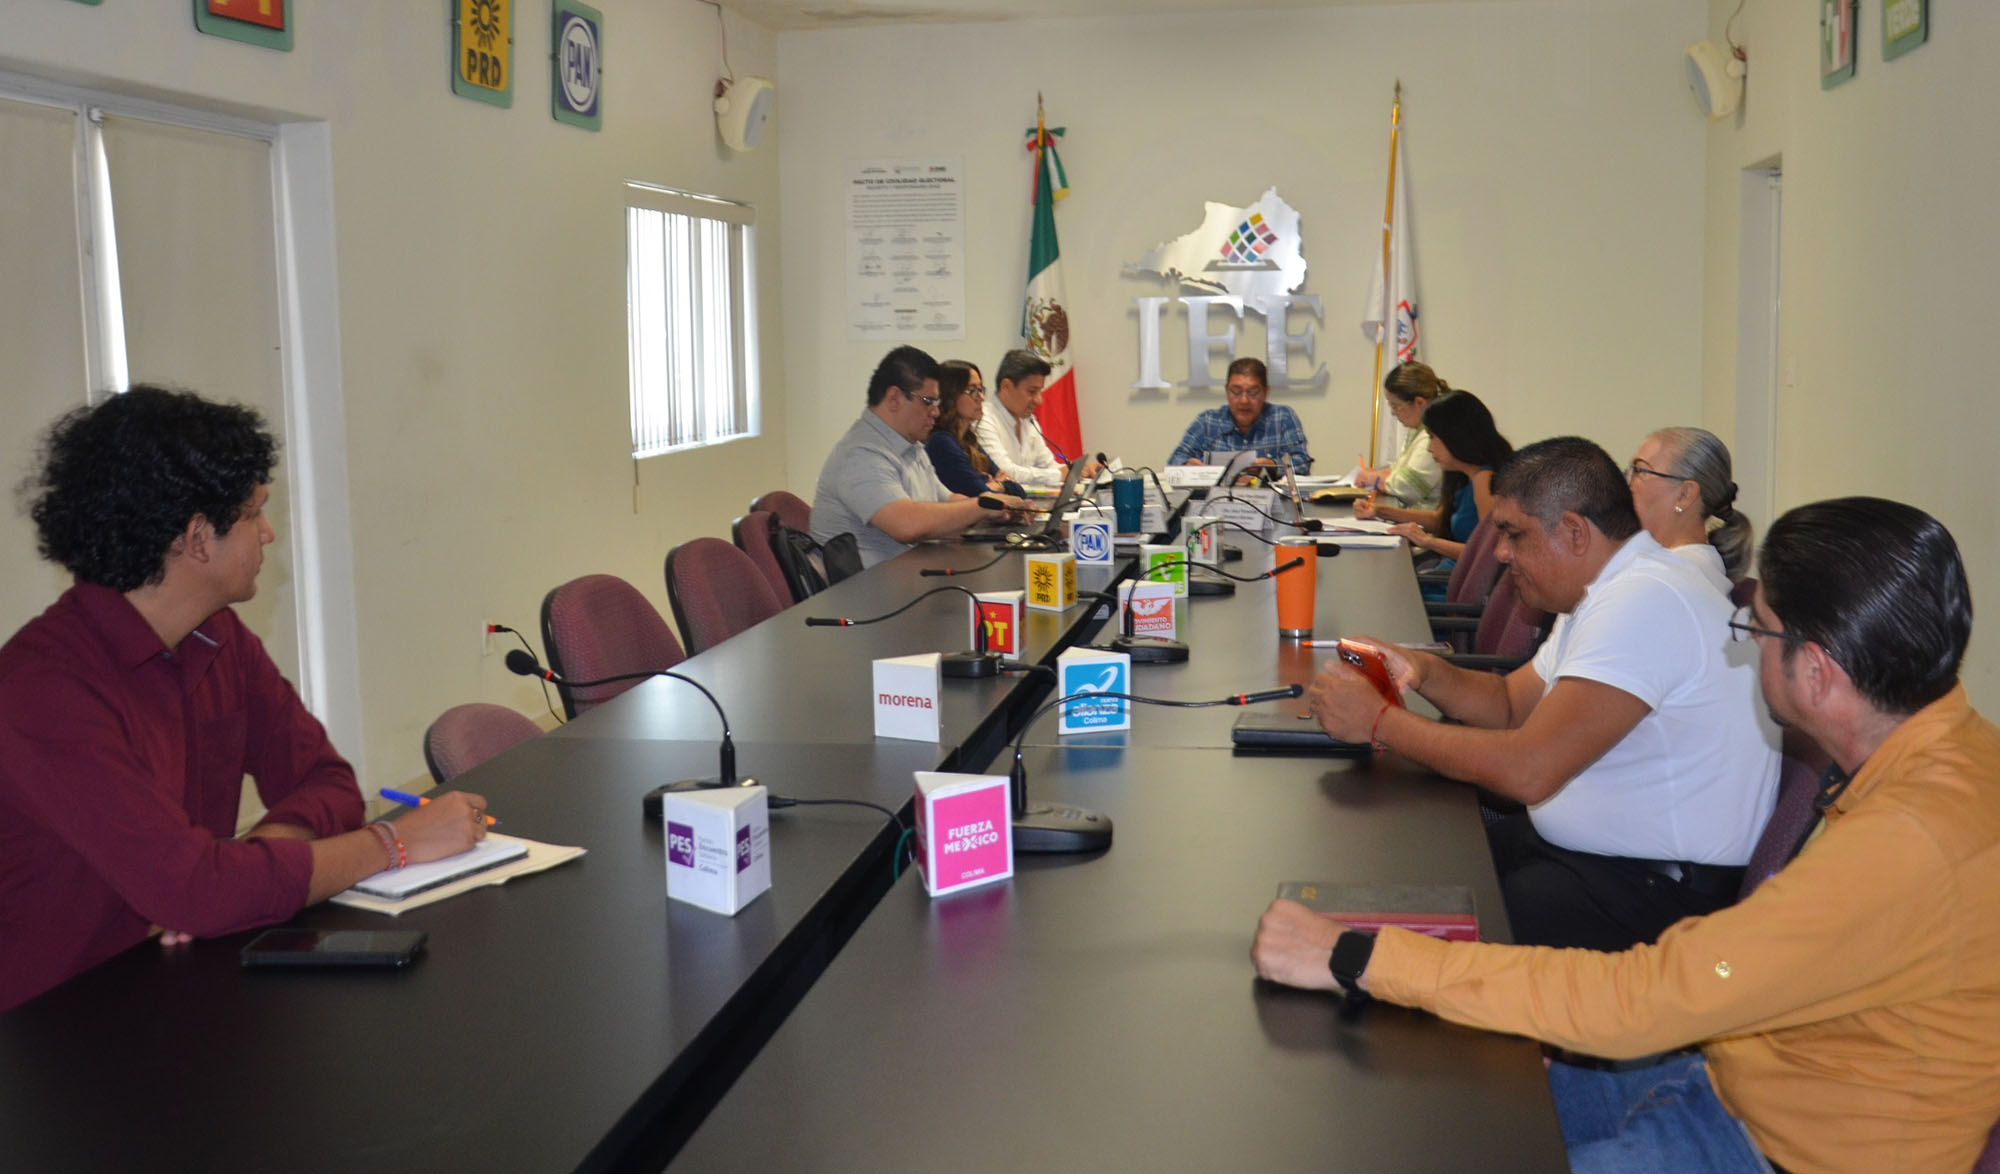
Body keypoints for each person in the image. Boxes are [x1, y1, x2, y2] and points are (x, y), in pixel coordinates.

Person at [1257, 496, 2000, 1174]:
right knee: (1421, 1107)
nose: (1748, 648)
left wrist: (1356, 955)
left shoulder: (1911, 843)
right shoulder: (1955, 757)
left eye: (1757, 630)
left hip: (1769, 1149)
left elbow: (1644, 999)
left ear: (1816, 670)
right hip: (1724, 1070)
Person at [0, 386, 487, 1013]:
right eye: (255, 513)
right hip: (54, 1029)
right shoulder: (43, 692)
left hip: (185, 984)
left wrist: (250, 861)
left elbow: (327, 781)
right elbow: (199, 893)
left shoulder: (216, 635)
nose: (268, 533)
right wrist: (393, 843)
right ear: (198, 538)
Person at [1310, 437, 1779, 950]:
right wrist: (1424, 671)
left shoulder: (1647, 599)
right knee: (1403, 864)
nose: (1500, 552)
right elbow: (1511, 705)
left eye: (1514, 534)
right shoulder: (1612, 588)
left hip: (1654, 898)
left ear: (1575, 531)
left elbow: (1529, 771)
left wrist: (1381, 723)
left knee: (1402, 940)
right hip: (1595, 863)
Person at [813, 345, 1027, 567]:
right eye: (928, 401)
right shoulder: (861, 453)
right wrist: (981, 506)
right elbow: (906, 525)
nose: (936, 411)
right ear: (894, 398)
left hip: (905, 573)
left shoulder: (911, 447)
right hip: (869, 584)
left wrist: (997, 508)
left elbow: (947, 499)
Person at [1356, 389, 1511, 569]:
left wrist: (1428, 541)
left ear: (1455, 437)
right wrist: (1379, 511)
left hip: (1457, 579)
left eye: (1433, 438)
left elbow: (1491, 556)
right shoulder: (1463, 475)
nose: (1429, 448)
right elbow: (1439, 520)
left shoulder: (1484, 479)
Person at [1628, 426, 1754, 595]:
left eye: (1640, 471)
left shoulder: (1665, 578)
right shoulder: (1667, 569)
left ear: (1685, 494)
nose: (1628, 484)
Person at [973, 349, 1098, 490]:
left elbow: (1049, 466)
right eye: (1031, 392)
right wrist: (1059, 474)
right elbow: (1004, 472)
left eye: (1040, 391)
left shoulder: (1028, 420)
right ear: (1006, 387)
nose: (1039, 400)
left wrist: (1080, 471)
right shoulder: (983, 420)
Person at [1166, 356, 1313, 474]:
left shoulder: (1282, 418)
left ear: (1265, 392)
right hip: (1216, 501)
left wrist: (1272, 466)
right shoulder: (1208, 422)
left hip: (1270, 501)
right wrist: (1188, 466)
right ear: (1226, 391)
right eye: (1236, 392)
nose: (1244, 400)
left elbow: (1302, 463)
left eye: (1253, 393)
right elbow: (1175, 460)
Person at [1353, 361, 1448, 507]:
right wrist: (1376, 474)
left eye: (1396, 406)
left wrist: (1371, 478)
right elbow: (1398, 471)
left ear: (1420, 403)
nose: (1393, 412)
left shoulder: (1435, 436)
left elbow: (1408, 488)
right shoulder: (1417, 430)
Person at [924, 359, 1022, 498]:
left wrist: (996, 485)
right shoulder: (941, 442)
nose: (981, 398)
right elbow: (983, 497)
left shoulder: (968, 439)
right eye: (972, 391)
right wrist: (999, 485)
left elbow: (1019, 491)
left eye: (981, 390)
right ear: (950, 395)